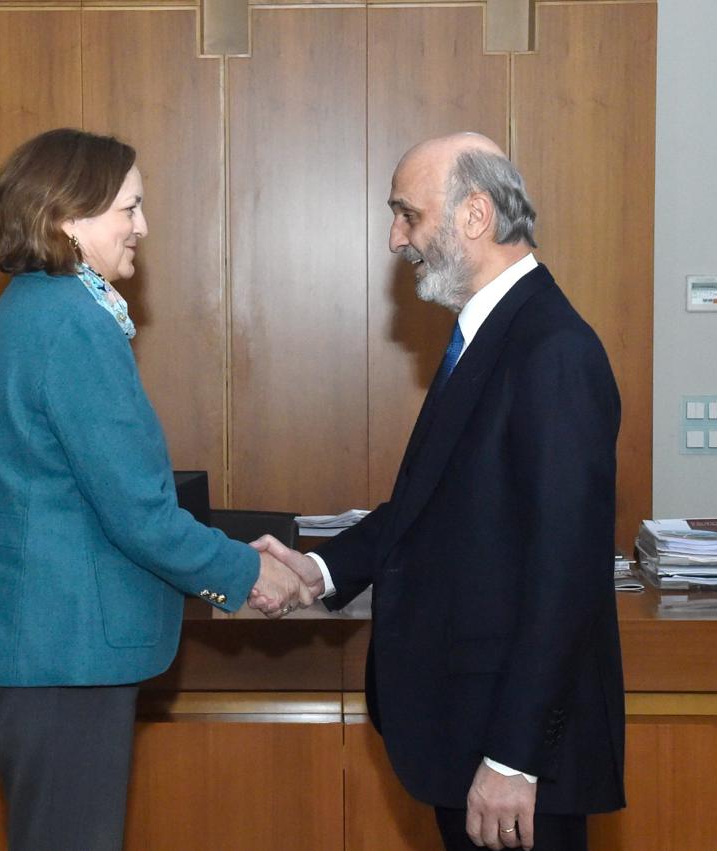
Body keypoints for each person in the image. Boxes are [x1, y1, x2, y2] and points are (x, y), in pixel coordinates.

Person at [255, 133, 625, 851]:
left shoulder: (553, 350)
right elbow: (433, 506)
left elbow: (566, 575)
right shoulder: (489, 334)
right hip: (469, 729)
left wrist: (514, 758)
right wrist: (320, 569)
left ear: (475, 215)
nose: (397, 239)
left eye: (409, 215)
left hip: (512, 755)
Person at [0, 128, 309, 851]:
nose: (143, 226)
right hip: (64, 659)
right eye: (129, 208)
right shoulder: (72, 324)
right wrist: (248, 572)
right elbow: (139, 513)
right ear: (66, 216)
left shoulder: (27, 312)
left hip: (42, 655)